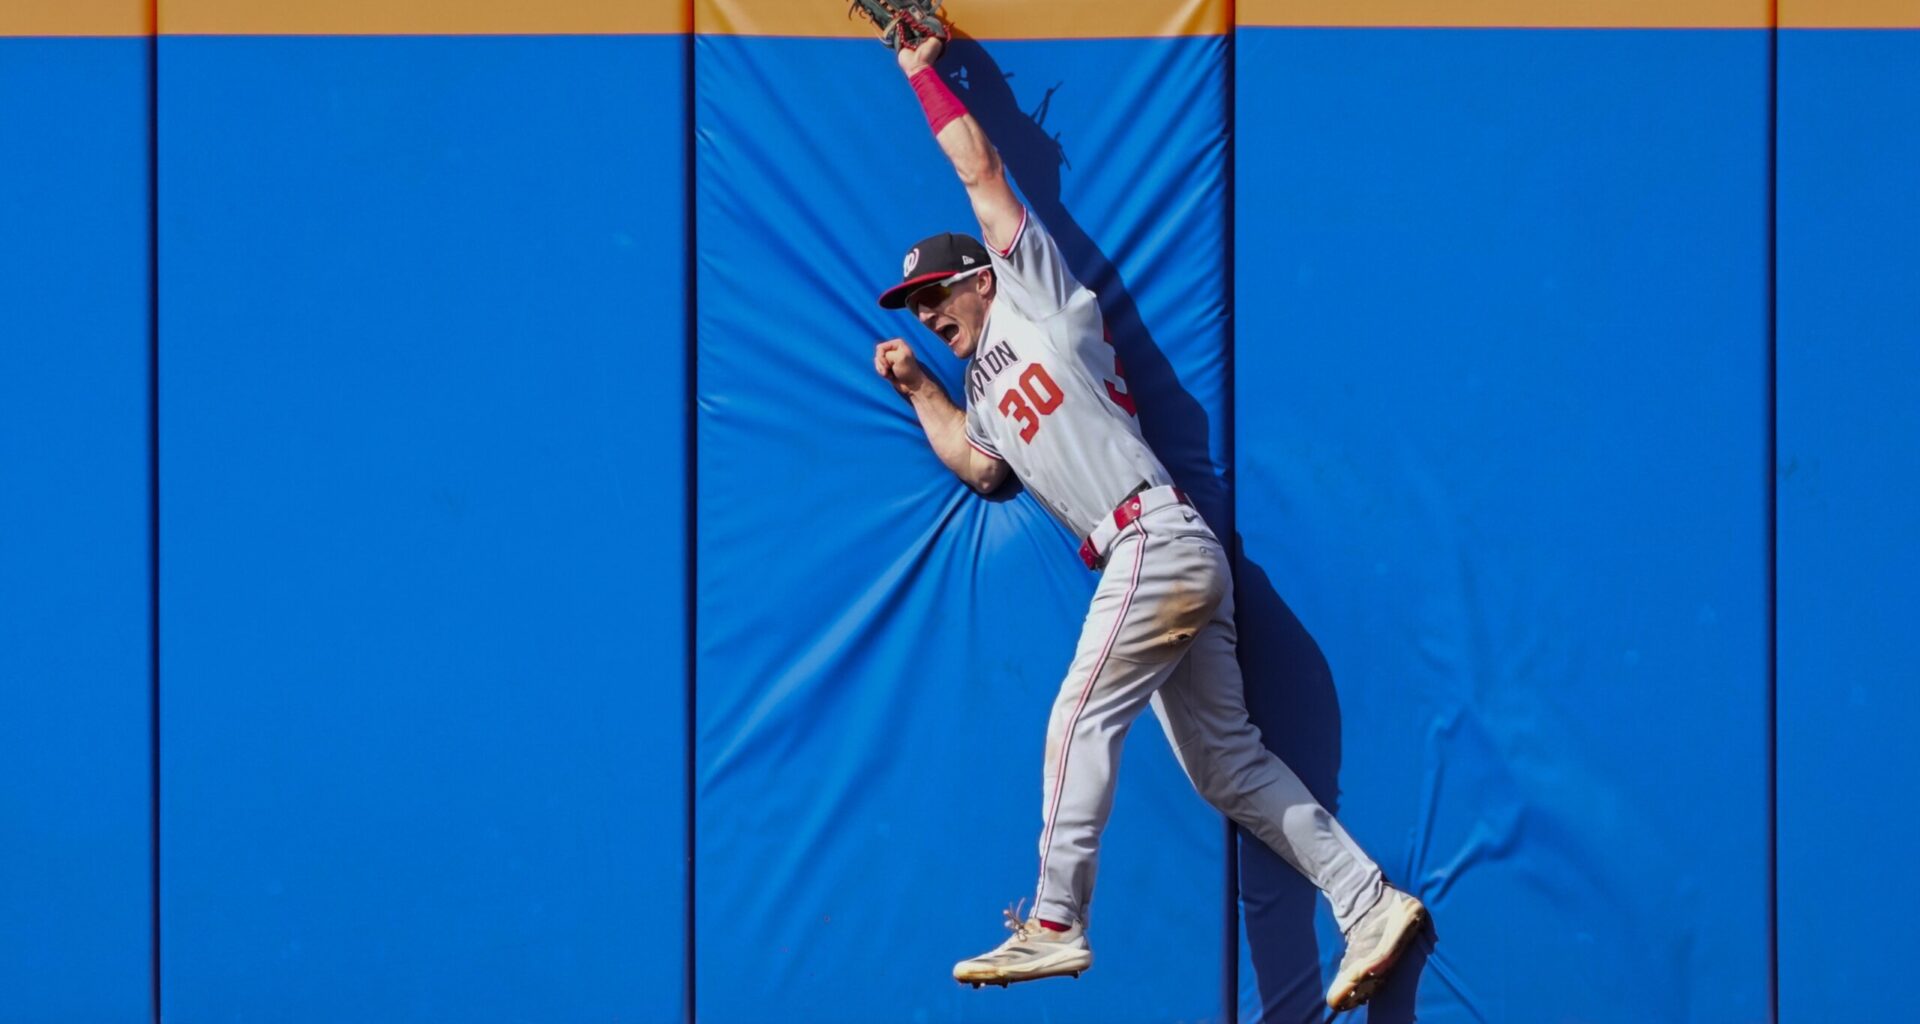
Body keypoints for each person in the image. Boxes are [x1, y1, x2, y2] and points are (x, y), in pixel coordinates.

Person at [869, 34, 1424, 1012]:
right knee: (1226, 765)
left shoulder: (1033, 296)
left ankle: (1053, 919)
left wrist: (922, 70)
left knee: (1075, 717)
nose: (924, 310)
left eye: (932, 293)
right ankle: (1368, 900)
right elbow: (980, 468)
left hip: (1150, 538)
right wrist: (919, 387)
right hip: (1151, 559)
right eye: (912, 305)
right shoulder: (978, 386)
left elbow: (982, 170)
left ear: (979, 277)